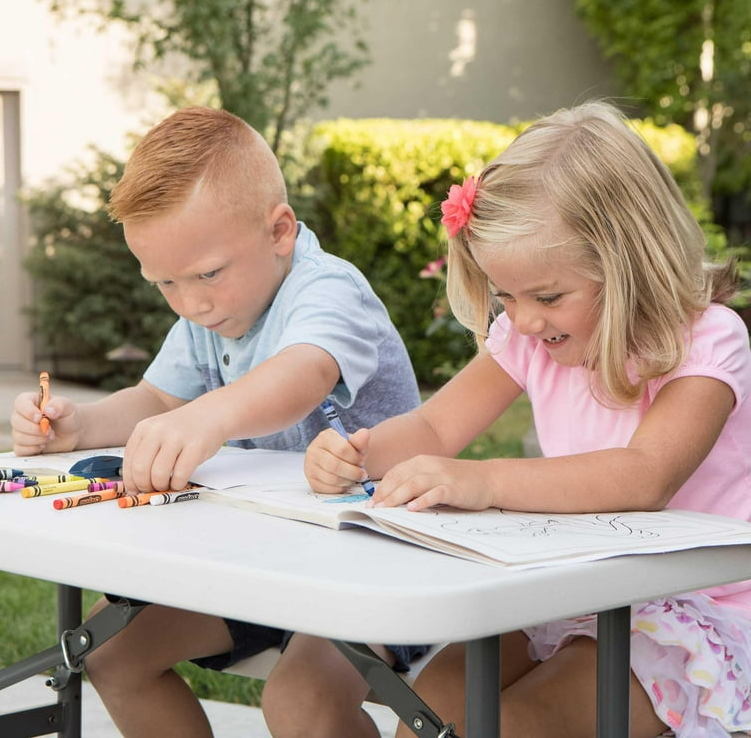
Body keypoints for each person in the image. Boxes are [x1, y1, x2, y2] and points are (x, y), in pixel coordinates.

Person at [302, 101, 751, 738]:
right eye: (506, 296)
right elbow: (432, 430)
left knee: (509, 724)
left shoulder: (707, 341)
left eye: (547, 297)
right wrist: (358, 452)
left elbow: (645, 476)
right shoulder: (529, 336)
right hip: (568, 593)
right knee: (433, 710)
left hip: (700, 609)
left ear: (628, 263)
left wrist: (483, 482)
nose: (524, 319)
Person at [10, 106, 428, 738]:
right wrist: (81, 426)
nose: (191, 302)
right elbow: (157, 400)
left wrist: (209, 416)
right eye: (165, 283)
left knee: (300, 702)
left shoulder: (328, 290)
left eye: (206, 274)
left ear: (280, 231)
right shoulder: (211, 312)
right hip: (266, 559)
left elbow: (304, 374)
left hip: (378, 564)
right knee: (110, 654)